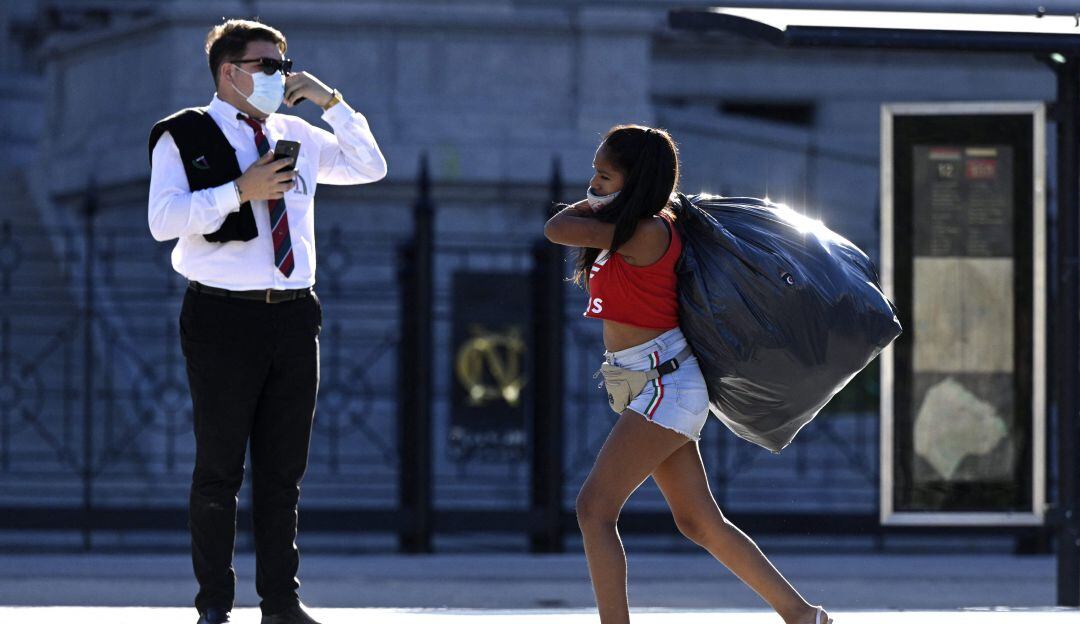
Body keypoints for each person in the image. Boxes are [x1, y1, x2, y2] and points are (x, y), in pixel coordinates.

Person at [147, 18, 387, 624]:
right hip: (222, 314)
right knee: (219, 469)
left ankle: (281, 602)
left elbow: (370, 166)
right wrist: (239, 190)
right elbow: (163, 219)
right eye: (269, 66)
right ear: (230, 72)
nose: (281, 77)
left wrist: (331, 101)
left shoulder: (293, 132)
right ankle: (214, 604)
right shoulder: (185, 134)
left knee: (283, 472)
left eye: (286, 66)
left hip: (294, 313)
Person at [544, 125, 832, 624]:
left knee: (594, 509)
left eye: (605, 175)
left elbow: (556, 228)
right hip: (643, 381)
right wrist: (607, 198)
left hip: (664, 382)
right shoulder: (631, 225)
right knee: (699, 521)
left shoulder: (646, 231)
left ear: (636, 181)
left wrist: (597, 203)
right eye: (594, 173)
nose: (593, 183)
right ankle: (803, 615)